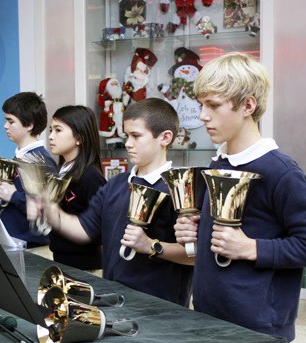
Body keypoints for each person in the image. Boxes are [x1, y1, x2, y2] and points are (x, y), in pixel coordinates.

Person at [173, 52, 306, 342]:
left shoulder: (281, 172)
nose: (202, 116)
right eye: (201, 105)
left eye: (213, 105)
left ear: (248, 105)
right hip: (209, 315)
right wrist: (196, 230)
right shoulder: (219, 163)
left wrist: (251, 248)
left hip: (257, 328)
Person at [38, 98, 194, 307]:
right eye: (126, 136)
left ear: (165, 138)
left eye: (136, 136)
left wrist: (152, 246)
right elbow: (83, 230)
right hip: (115, 300)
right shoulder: (116, 184)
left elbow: (193, 255)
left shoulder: (180, 188)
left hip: (162, 307)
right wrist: (47, 208)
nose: (128, 143)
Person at [0, 92, 57, 248]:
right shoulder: (22, 157)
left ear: (29, 124)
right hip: (14, 241)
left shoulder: (40, 161)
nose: (5, 126)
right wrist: (0, 193)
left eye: (11, 121)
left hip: (30, 247)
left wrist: (12, 195)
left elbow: (45, 210)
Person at [46, 105, 106, 271]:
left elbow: (100, 229)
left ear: (79, 137)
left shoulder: (91, 178)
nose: (51, 137)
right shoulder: (61, 172)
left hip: (85, 268)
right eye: (51, 130)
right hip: (62, 262)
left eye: (58, 130)